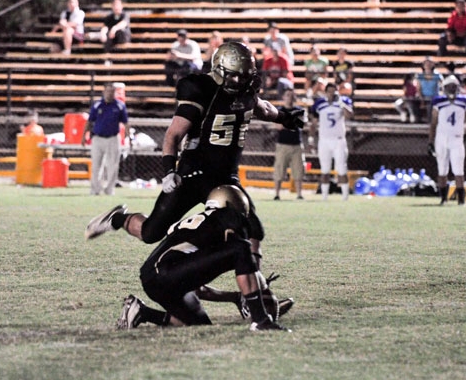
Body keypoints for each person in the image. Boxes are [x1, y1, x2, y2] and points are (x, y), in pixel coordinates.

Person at [84, 42, 304, 289]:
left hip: (224, 179)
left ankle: (254, 293)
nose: (242, 81)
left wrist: (284, 117)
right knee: (150, 233)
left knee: (252, 229)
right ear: (220, 70)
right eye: (236, 75)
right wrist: (169, 171)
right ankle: (117, 218)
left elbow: (260, 106)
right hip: (193, 174)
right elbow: (173, 135)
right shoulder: (201, 89)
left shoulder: (245, 89)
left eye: (246, 75)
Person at [116, 185, 290, 331]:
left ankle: (141, 312)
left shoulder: (202, 226)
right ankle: (260, 321)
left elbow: (196, 286)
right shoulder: (229, 217)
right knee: (241, 247)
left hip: (153, 278)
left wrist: (236, 297)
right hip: (167, 273)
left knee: (199, 324)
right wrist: (262, 290)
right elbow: (241, 252)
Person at [427, 75, 466, 206]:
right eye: (449, 87)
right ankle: (443, 198)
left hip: (457, 139)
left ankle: (461, 200)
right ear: (444, 88)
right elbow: (433, 123)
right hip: (441, 139)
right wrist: (430, 141)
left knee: (459, 171)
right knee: (442, 170)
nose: (451, 89)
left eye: (454, 87)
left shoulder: (464, 101)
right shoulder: (439, 101)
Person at [308, 83, 354, 201]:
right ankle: (324, 197)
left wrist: (341, 104)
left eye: (334, 91)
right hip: (324, 140)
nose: (332, 94)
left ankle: (345, 197)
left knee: (342, 169)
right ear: (326, 92)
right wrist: (311, 138)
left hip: (339, 140)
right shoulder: (320, 104)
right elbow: (313, 122)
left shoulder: (342, 102)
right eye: (330, 91)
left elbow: (349, 115)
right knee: (325, 169)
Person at [81, 83, 128, 196]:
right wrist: (84, 135)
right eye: (108, 91)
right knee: (96, 165)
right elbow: (89, 121)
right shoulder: (97, 105)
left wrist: (127, 136)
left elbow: (125, 123)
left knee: (113, 165)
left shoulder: (119, 105)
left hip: (113, 138)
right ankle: (95, 189)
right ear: (104, 92)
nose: (110, 93)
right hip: (98, 138)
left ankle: (109, 189)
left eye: (112, 91)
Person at [273, 89, 305, 200]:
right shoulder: (280, 110)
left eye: (292, 95)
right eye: (287, 95)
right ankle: (277, 194)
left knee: (298, 170)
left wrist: (286, 122)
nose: (290, 98)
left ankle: (299, 194)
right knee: (279, 169)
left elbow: (300, 124)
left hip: (296, 144)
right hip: (283, 144)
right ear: (284, 97)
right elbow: (278, 126)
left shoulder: (298, 110)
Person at [100, 0, 131, 65]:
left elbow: (124, 23)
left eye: (118, 5)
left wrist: (114, 29)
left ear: (121, 6)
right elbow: (105, 27)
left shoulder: (125, 15)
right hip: (113, 39)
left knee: (119, 31)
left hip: (123, 38)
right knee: (107, 35)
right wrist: (102, 33)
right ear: (112, 7)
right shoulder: (109, 17)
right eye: (115, 5)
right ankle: (108, 59)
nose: (116, 7)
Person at [416, 57, 443, 123]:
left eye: (429, 63)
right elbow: (418, 89)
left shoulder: (437, 75)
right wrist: (421, 99)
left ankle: (432, 122)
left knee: (431, 103)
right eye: (426, 63)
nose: (428, 65)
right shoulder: (420, 76)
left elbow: (442, 86)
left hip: (434, 96)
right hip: (423, 96)